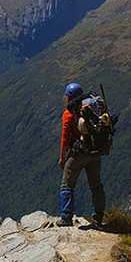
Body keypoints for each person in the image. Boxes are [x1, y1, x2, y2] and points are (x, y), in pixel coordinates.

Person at [57, 82, 105, 227]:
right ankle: (98, 218)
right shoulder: (91, 107)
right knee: (96, 186)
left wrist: (62, 157)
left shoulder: (69, 113)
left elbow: (65, 138)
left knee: (66, 185)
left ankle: (66, 218)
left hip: (78, 153)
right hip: (95, 152)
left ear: (69, 96)